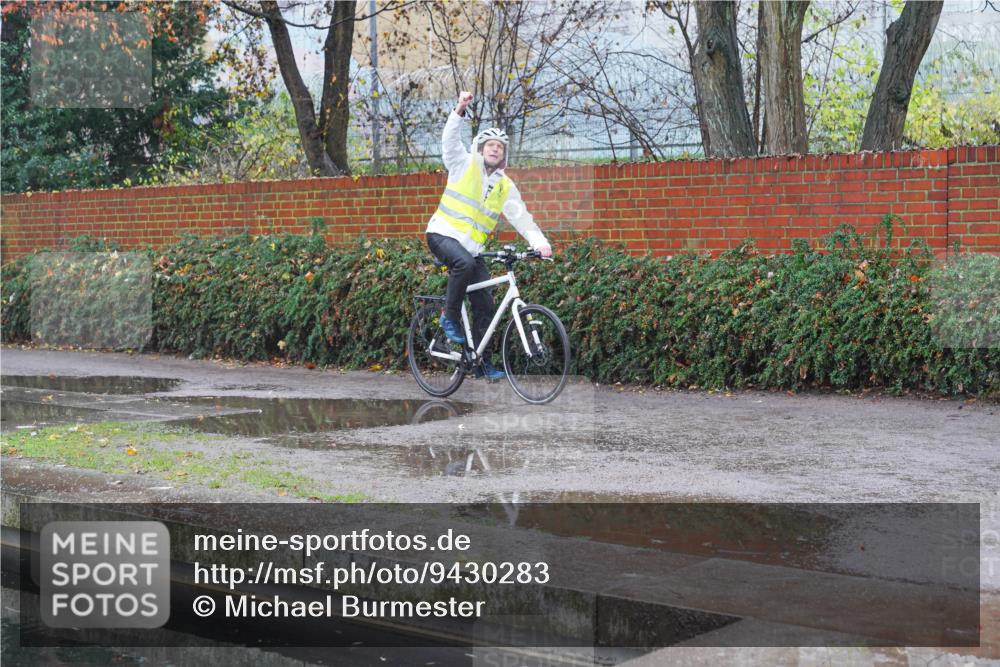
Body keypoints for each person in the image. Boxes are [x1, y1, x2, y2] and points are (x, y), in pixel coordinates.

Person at [425, 92, 552, 382]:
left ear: (504, 155)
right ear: (480, 148)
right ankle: (449, 318)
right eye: (490, 145)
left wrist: (540, 243)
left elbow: (522, 217)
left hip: (472, 248)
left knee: (486, 305)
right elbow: (448, 140)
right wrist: (459, 109)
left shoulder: (505, 187)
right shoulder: (463, 163)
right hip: (442, 234)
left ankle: (480, 362)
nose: (495, 149)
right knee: (464, 265)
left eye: (500, 147)